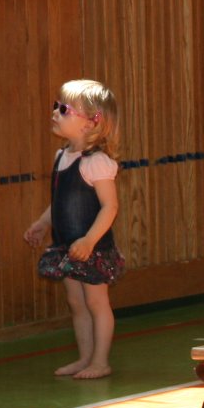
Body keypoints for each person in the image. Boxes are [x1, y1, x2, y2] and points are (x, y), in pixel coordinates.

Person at [23, 80, 124, 379]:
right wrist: (43, 222)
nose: (55, 112)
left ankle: (101, 361)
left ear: (91, 122)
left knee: (96, 302)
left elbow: (110, 207)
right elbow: (61, 200)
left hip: (91, 248)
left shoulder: (97, 163)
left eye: (64, 109)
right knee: (77, 303)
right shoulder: (62, 156)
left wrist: (90, 240)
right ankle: (85, 357)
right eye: (56, 106)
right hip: (67, 247)